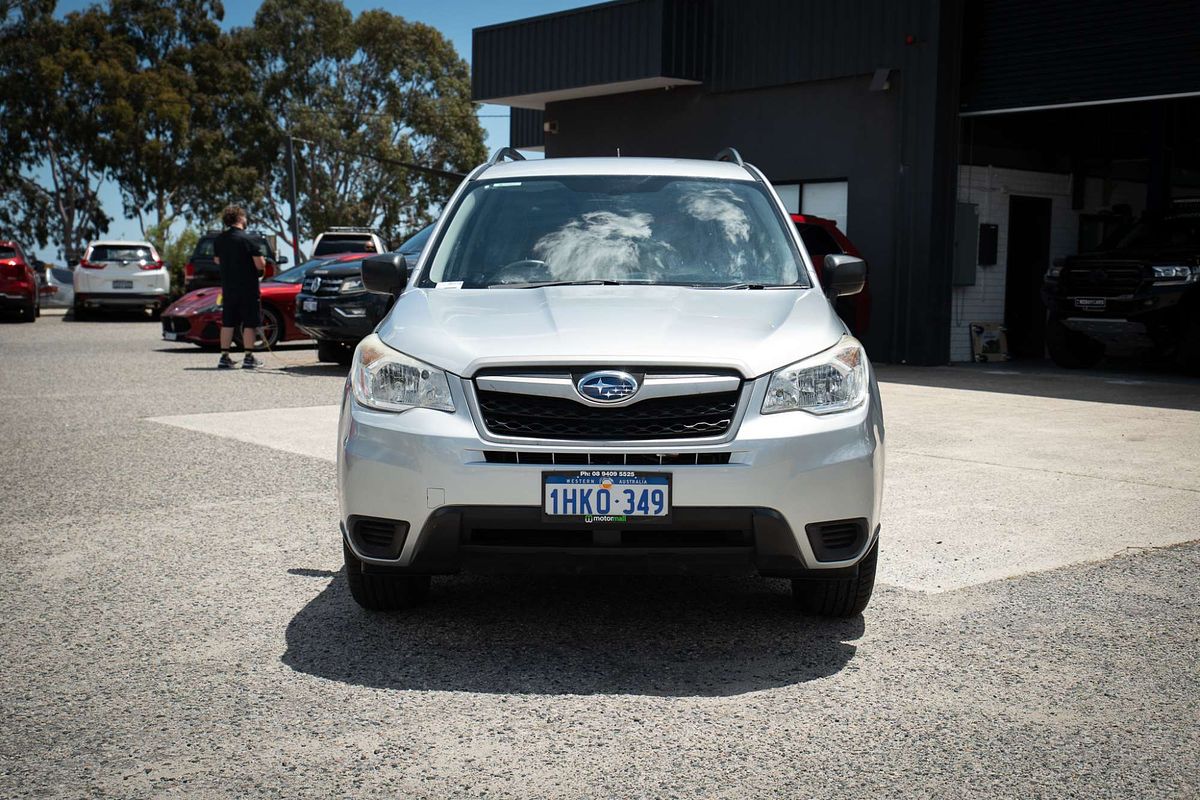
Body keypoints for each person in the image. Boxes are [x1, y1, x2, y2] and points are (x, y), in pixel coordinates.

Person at [212, 205, 266, 369]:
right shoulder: (249, 239)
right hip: (248, 288)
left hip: (228, 288)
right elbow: (260, 264)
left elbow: (217, 260)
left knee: (227, 322)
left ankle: (224, 357)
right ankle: (248, 357)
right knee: (249, 323)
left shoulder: (219, 239)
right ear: (240, 218)